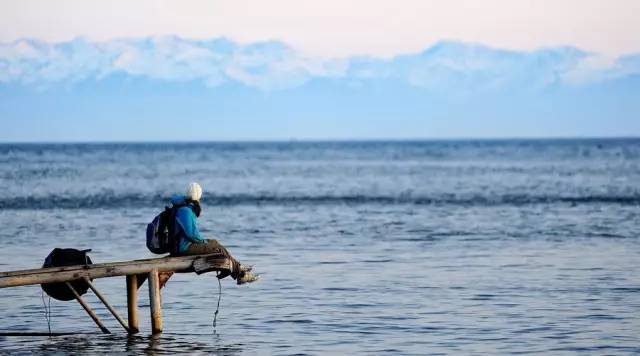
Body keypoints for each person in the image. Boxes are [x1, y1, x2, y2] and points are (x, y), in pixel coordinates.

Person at [171, 182, 258, 285]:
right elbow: (191, 235)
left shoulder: (183, 207)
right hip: (183, 248)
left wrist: (205, 242)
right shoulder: (185, 211)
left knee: (214, 242)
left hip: (183, 246)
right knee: (218, 248)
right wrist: (203, 242)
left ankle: (236, 266)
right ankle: (240, 274)